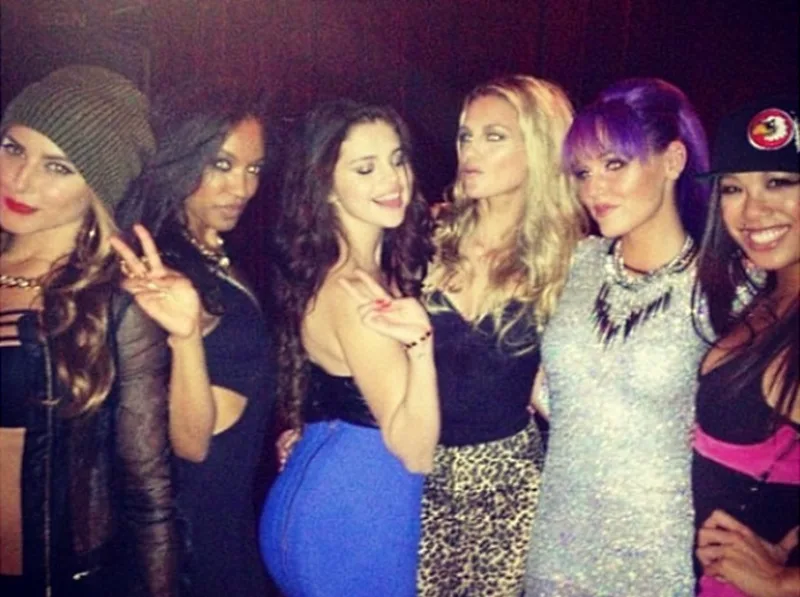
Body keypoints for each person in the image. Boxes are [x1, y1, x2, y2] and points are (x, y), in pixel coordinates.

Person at [524, 78, 710, 596]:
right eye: (584, 172)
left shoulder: (726, 288)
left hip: (658, 560)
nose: (593, 190)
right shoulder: (575, 264)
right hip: (557, 549)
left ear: (673, 160)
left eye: (614, 165)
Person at [0, 65, 178, 596]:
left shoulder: (112, 303)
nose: (20, 179)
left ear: (98, 187)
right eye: (12, 149)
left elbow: (149, 491)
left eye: (57, 166)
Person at [259, 98, 438, 597]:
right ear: (325, 187)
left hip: (333, 490)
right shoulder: (354, 292)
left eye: (397, 159)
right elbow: (415, 450)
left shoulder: (353, 272)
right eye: (365, 168)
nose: (393, 179)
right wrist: (421, 345)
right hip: (355, 514)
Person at [416, 74, 586, 596]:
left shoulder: (571, 260)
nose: (471, 151)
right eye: (466, 135)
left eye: (494, 136)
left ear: (540, 147)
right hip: (415, 476)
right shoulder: (425, 237)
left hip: (512, 486)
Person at [112, 86, 274, 597]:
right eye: (222, 165)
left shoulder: (210, 254)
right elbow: (191, 443)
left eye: (253, 168)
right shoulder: (164, 273)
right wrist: (185, 337)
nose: (242, 187)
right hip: (199, 527)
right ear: (182, 159)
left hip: (231, 508)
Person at [692, 94, 799, 597]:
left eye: (780, 181)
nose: (753, 210)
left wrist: (782, 582)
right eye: (733, 188)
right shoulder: (770, 295)